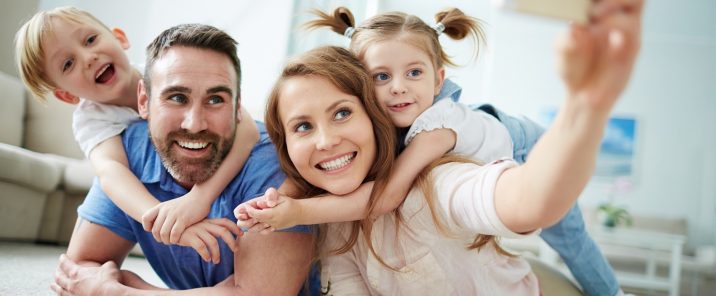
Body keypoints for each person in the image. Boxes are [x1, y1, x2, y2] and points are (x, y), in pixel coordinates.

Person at [241, 0, 643, 292]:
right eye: (381, 77)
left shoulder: (435, 137)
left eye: (341, 113)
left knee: (571, 240)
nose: (397, 87)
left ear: (437, 80)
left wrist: (585, 104)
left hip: (528, 147)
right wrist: (279, 198)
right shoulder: (347, 197)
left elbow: (522, 200)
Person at [50, 23, 316, 295]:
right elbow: (77, 271)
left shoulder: (274, 163)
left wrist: (120, 291)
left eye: (215, 99)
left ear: (238, 107)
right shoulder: (125, 152)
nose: (194, 124)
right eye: (177, 97)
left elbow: (258, 294)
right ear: (144, 100)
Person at [15, 6, 258, 258]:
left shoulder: (163, 72)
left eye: (90, 40)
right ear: (67, 95)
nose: (88, 57)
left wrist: (199, 199)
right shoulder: (92, 118)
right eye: (68, 63)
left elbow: (247, 128)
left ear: (120, 37)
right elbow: (112, 173)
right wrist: (167, 220)